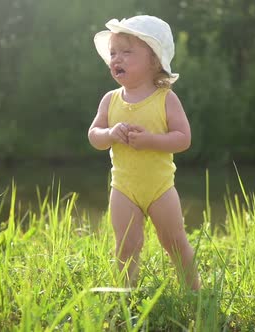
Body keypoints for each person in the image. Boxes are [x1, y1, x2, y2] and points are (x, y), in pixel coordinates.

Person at [88, 15, 201, 290]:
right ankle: (125, 295)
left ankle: (194, 292)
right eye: (113, 53)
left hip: (160, 187)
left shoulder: (165, 98)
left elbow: (183, 138)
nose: (118, 59)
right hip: (123, 187)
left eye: (127, 52)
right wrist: (110, 134)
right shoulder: (110, 99)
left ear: (153, 61)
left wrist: (151, 140)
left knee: (173, 241)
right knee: (126, 244)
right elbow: (94, 136)